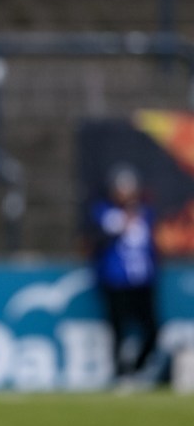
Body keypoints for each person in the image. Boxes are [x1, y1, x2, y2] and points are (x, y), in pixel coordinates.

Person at [90, 163, 160, 388]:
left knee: (152, 329)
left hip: (143, 282)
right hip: (116, 282)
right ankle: (120, 374)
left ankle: (138, 370)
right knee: (118, 329)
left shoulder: (145, 213)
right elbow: (95, 240)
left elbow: (151, 247)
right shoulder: (104, 212)